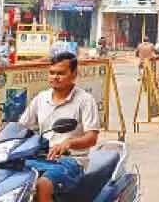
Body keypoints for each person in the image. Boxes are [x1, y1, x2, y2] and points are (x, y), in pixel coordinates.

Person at [19, 52, 100, 202]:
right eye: (52, 72)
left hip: (71, 160)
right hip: (40, 157)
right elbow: (21, 126)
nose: (55, 77)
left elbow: (92, 138)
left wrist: (68, 143)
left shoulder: (85, 100)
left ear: (74, 74)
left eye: (61, 73)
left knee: (42, 184)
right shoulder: (41, 98)